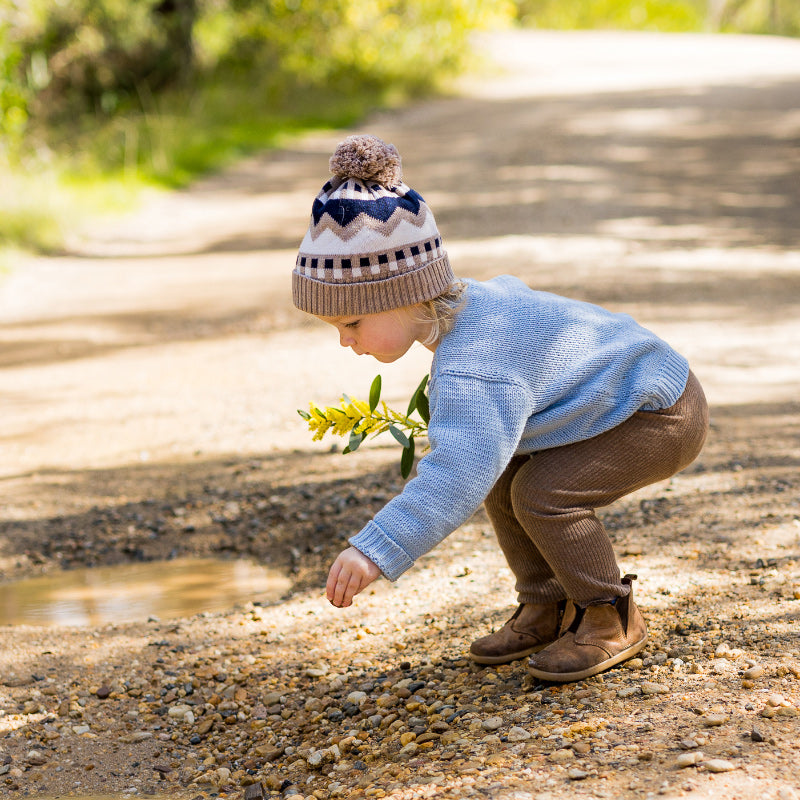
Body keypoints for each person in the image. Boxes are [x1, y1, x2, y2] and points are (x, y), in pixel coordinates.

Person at [291, 134, 709, 682]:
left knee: (542, 494)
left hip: (659, 410)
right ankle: (547, 603)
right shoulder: (469, 305)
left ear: (404, 294)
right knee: (504, 471)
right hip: (623, 402)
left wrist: (377, 549)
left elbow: (455, 475)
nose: (346, 341)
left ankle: (609, 614)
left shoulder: (473, 365)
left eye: (351, 322)